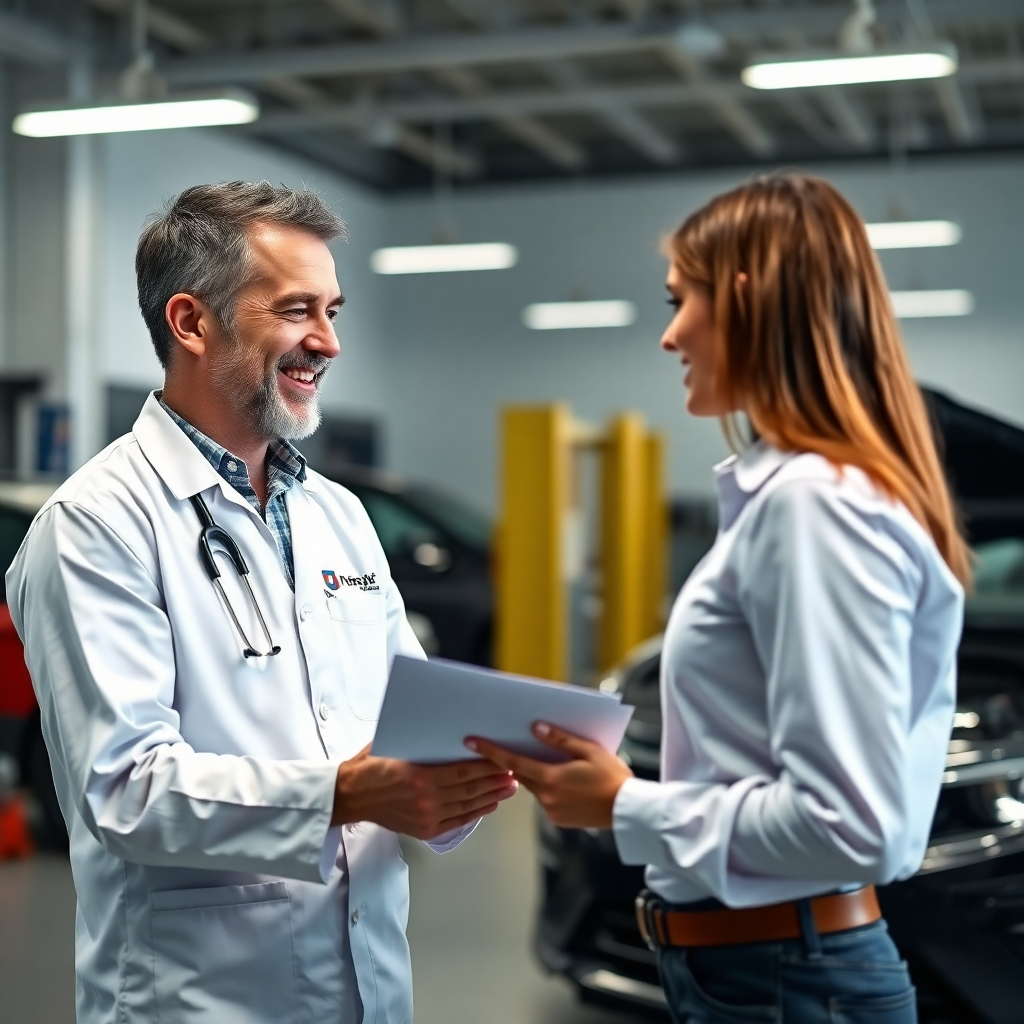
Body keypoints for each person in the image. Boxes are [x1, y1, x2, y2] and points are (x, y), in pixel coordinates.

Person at [6, 181, 516, 1024]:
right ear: (192, 323)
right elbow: (124, 788)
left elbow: (410, 716)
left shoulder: (339, 517)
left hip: (370, 986)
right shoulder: (96, 524)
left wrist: (476, 763)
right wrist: (343, 795)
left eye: (333, 309)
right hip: (199, 999)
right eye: (296, 309)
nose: (329, 341)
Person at [468, 173, 968, 1023]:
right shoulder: (804, 498)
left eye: (679, 300)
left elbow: (852, 824)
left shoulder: (815, 506)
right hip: (765, 971)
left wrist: (624, 801)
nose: (668, 338)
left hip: (784, 978)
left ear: (744, 298)